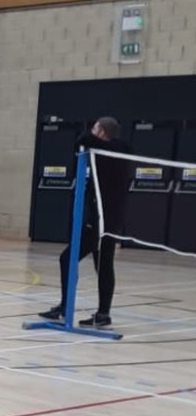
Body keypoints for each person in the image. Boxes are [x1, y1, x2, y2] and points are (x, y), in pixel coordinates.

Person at [38, 116, 132, 329]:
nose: (91, 130)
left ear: (101, 133)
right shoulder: (108, 149)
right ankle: (100, 313)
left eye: (95, 128)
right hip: (104, 217)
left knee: (69, 259)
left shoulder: (116, 149)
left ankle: (69, 308)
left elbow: (82, 138)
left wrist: (93, 136)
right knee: (103, 264)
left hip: (104, 219)